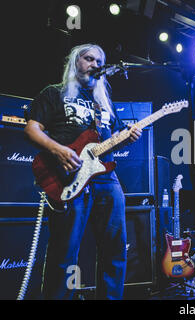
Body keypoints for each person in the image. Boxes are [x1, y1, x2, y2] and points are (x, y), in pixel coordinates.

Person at [24, 43, 142, 299]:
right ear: (74, 62)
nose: (95, 65)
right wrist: (58, 150)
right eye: (89, 58)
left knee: (115, 249)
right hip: (68, 176)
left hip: (106, 179)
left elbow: (113, 139)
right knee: (64, 251)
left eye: (100, 61)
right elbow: (32, 129)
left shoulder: (105, 104)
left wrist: (129, 136)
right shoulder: (54, 93)